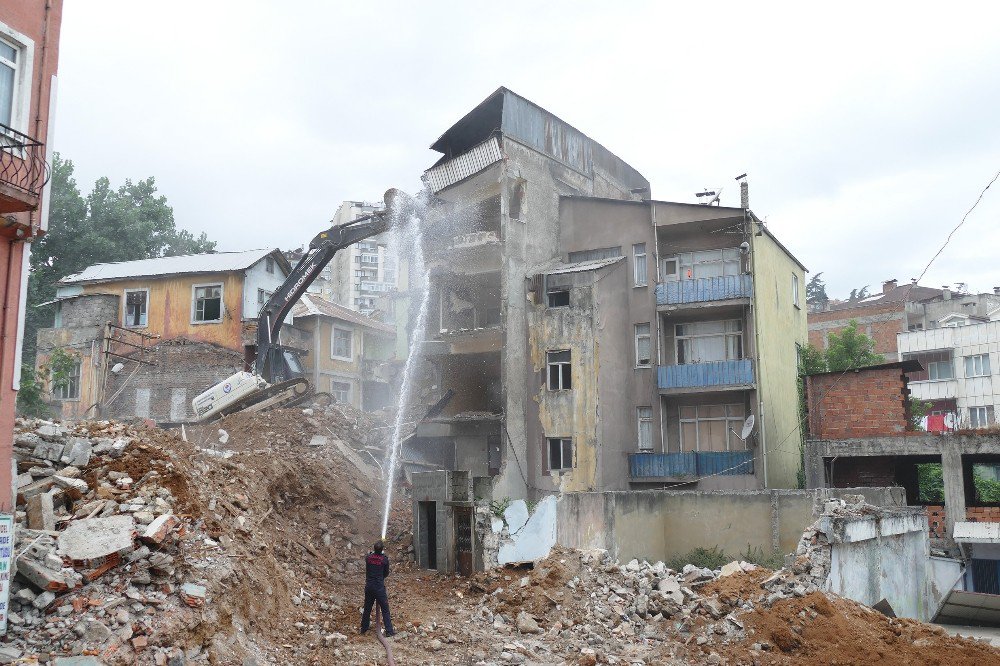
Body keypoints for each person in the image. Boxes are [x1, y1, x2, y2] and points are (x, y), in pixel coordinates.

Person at [360, 539, 395, 636]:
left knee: (367, 608)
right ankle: (389, 631)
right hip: (379, 588)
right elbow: (386, 573)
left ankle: (363, 628)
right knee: (385, 608)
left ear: (374, 549)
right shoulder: (384, 559)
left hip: (369, 586)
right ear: (382, 550)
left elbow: (369, 558)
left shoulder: (368, 558)